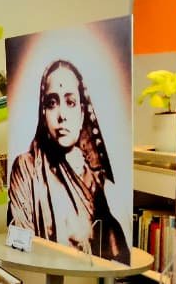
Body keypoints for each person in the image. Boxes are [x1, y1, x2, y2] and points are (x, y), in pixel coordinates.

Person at [7, 59, 128, 262]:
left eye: (70, 102)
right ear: (43, 112)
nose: (62, 115)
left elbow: (116, 256)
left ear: (82, 114)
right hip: (39, 282)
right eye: (52, 103)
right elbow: (19, 246)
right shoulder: (27, 168)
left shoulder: (100, 185)